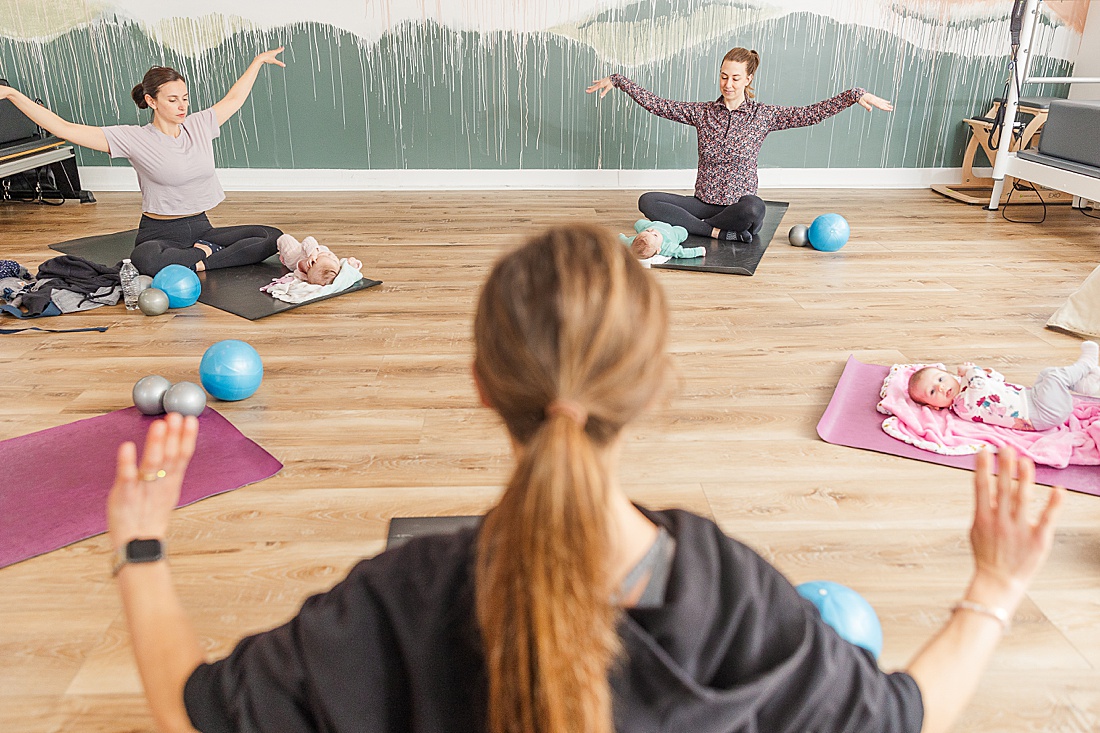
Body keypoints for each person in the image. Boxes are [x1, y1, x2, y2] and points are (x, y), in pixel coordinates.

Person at [109, 225, 1060, 733]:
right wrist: (994, 588)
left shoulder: (405, 596)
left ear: (484, 384)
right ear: (649, 389)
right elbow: (906, 712)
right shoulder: (725, 590)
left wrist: (140, 544)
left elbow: (189, 706)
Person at [0, 50, 287, 276]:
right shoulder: (133, 138)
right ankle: (205, 256)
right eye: (173, 100)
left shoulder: (200, 125)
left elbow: (235, 98)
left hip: (202, 228)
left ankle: (201, 260)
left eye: (185, 98)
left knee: (271, 236)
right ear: (152, 101)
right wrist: (13, 94)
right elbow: (64, 128)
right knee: (144, 259)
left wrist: (258, 61)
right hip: (159, 232)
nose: (182, 106)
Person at [586, 48, 893, 242]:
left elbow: (810, 114)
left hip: (739, 206)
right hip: (704, 204)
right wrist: (619, 80)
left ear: (748, 79)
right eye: (723, 76)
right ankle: (717, 233)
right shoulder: (703, 112)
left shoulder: (763, 116)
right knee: (648, 201)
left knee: (755, 208)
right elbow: (659, 105)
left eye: (735, 78)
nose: (728, 84)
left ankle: (698, 227)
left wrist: (853, 95)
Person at [909, 341, 1100, 431]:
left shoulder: (967, 385)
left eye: (940, 380)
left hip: (1033, 398)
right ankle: (1086, 364)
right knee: (1054, 379)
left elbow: (999, 380)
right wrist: (971, 370)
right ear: (934, 406)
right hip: (1040, 414)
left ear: (949, 375)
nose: (941, 387)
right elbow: (980, 386)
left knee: (1047, 374)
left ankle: (1085, 385)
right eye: (933, 391)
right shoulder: (960, 406)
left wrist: (988, 373)